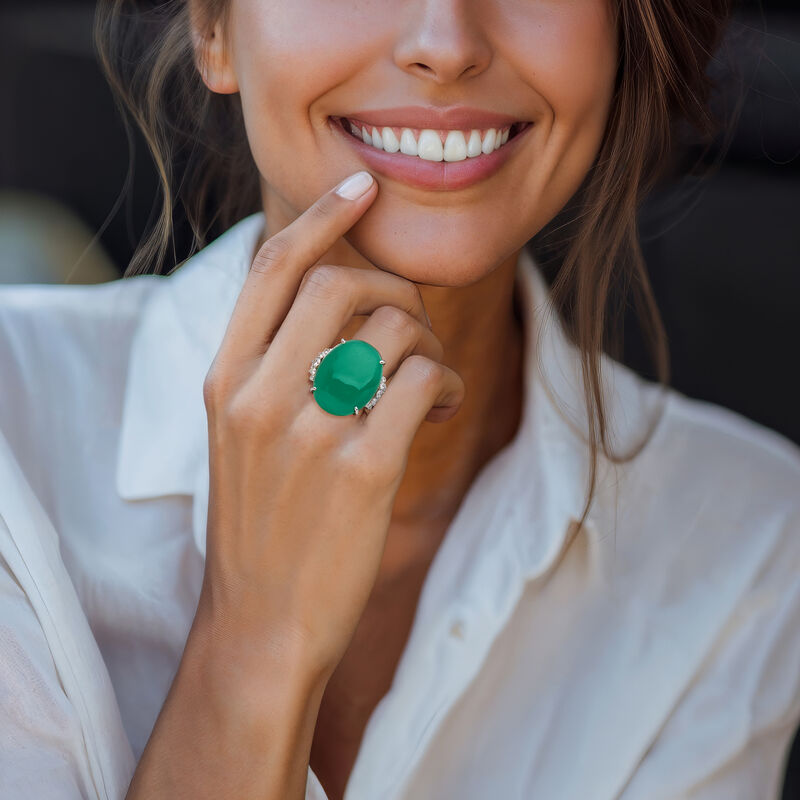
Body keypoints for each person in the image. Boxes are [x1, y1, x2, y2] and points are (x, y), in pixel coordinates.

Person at [1, 0, 798, 798]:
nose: (445, 46)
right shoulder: (14, 429)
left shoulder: (748, 541)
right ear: (214, 29)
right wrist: (257, 643)